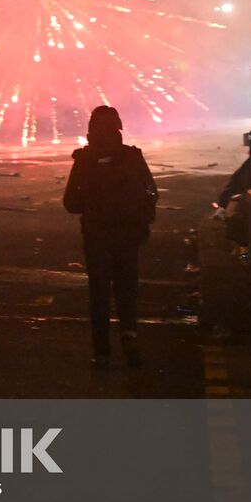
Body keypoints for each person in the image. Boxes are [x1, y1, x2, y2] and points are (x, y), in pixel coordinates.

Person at [63, 105, 157, 369]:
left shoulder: (84, 160)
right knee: (127, 290)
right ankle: (130, 338)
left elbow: (70, 202)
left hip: (97, 238)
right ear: (119, 128)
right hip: (128, 235)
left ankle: (102, 352)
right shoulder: (132, 157)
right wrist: (144, 218)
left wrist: (92, 204)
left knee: (99, 293)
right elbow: (151, 191)